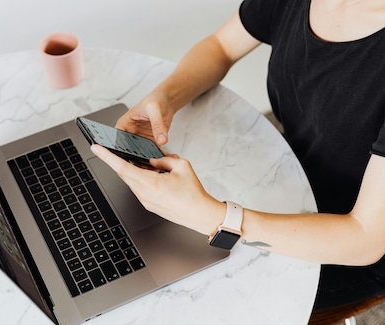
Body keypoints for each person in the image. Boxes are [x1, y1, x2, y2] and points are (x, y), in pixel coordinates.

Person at [90, 0, 385, 313]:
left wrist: (215, 218)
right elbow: (221, 47)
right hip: (287, 173)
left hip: (346, 243)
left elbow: (365, 239)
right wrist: (165, 99)